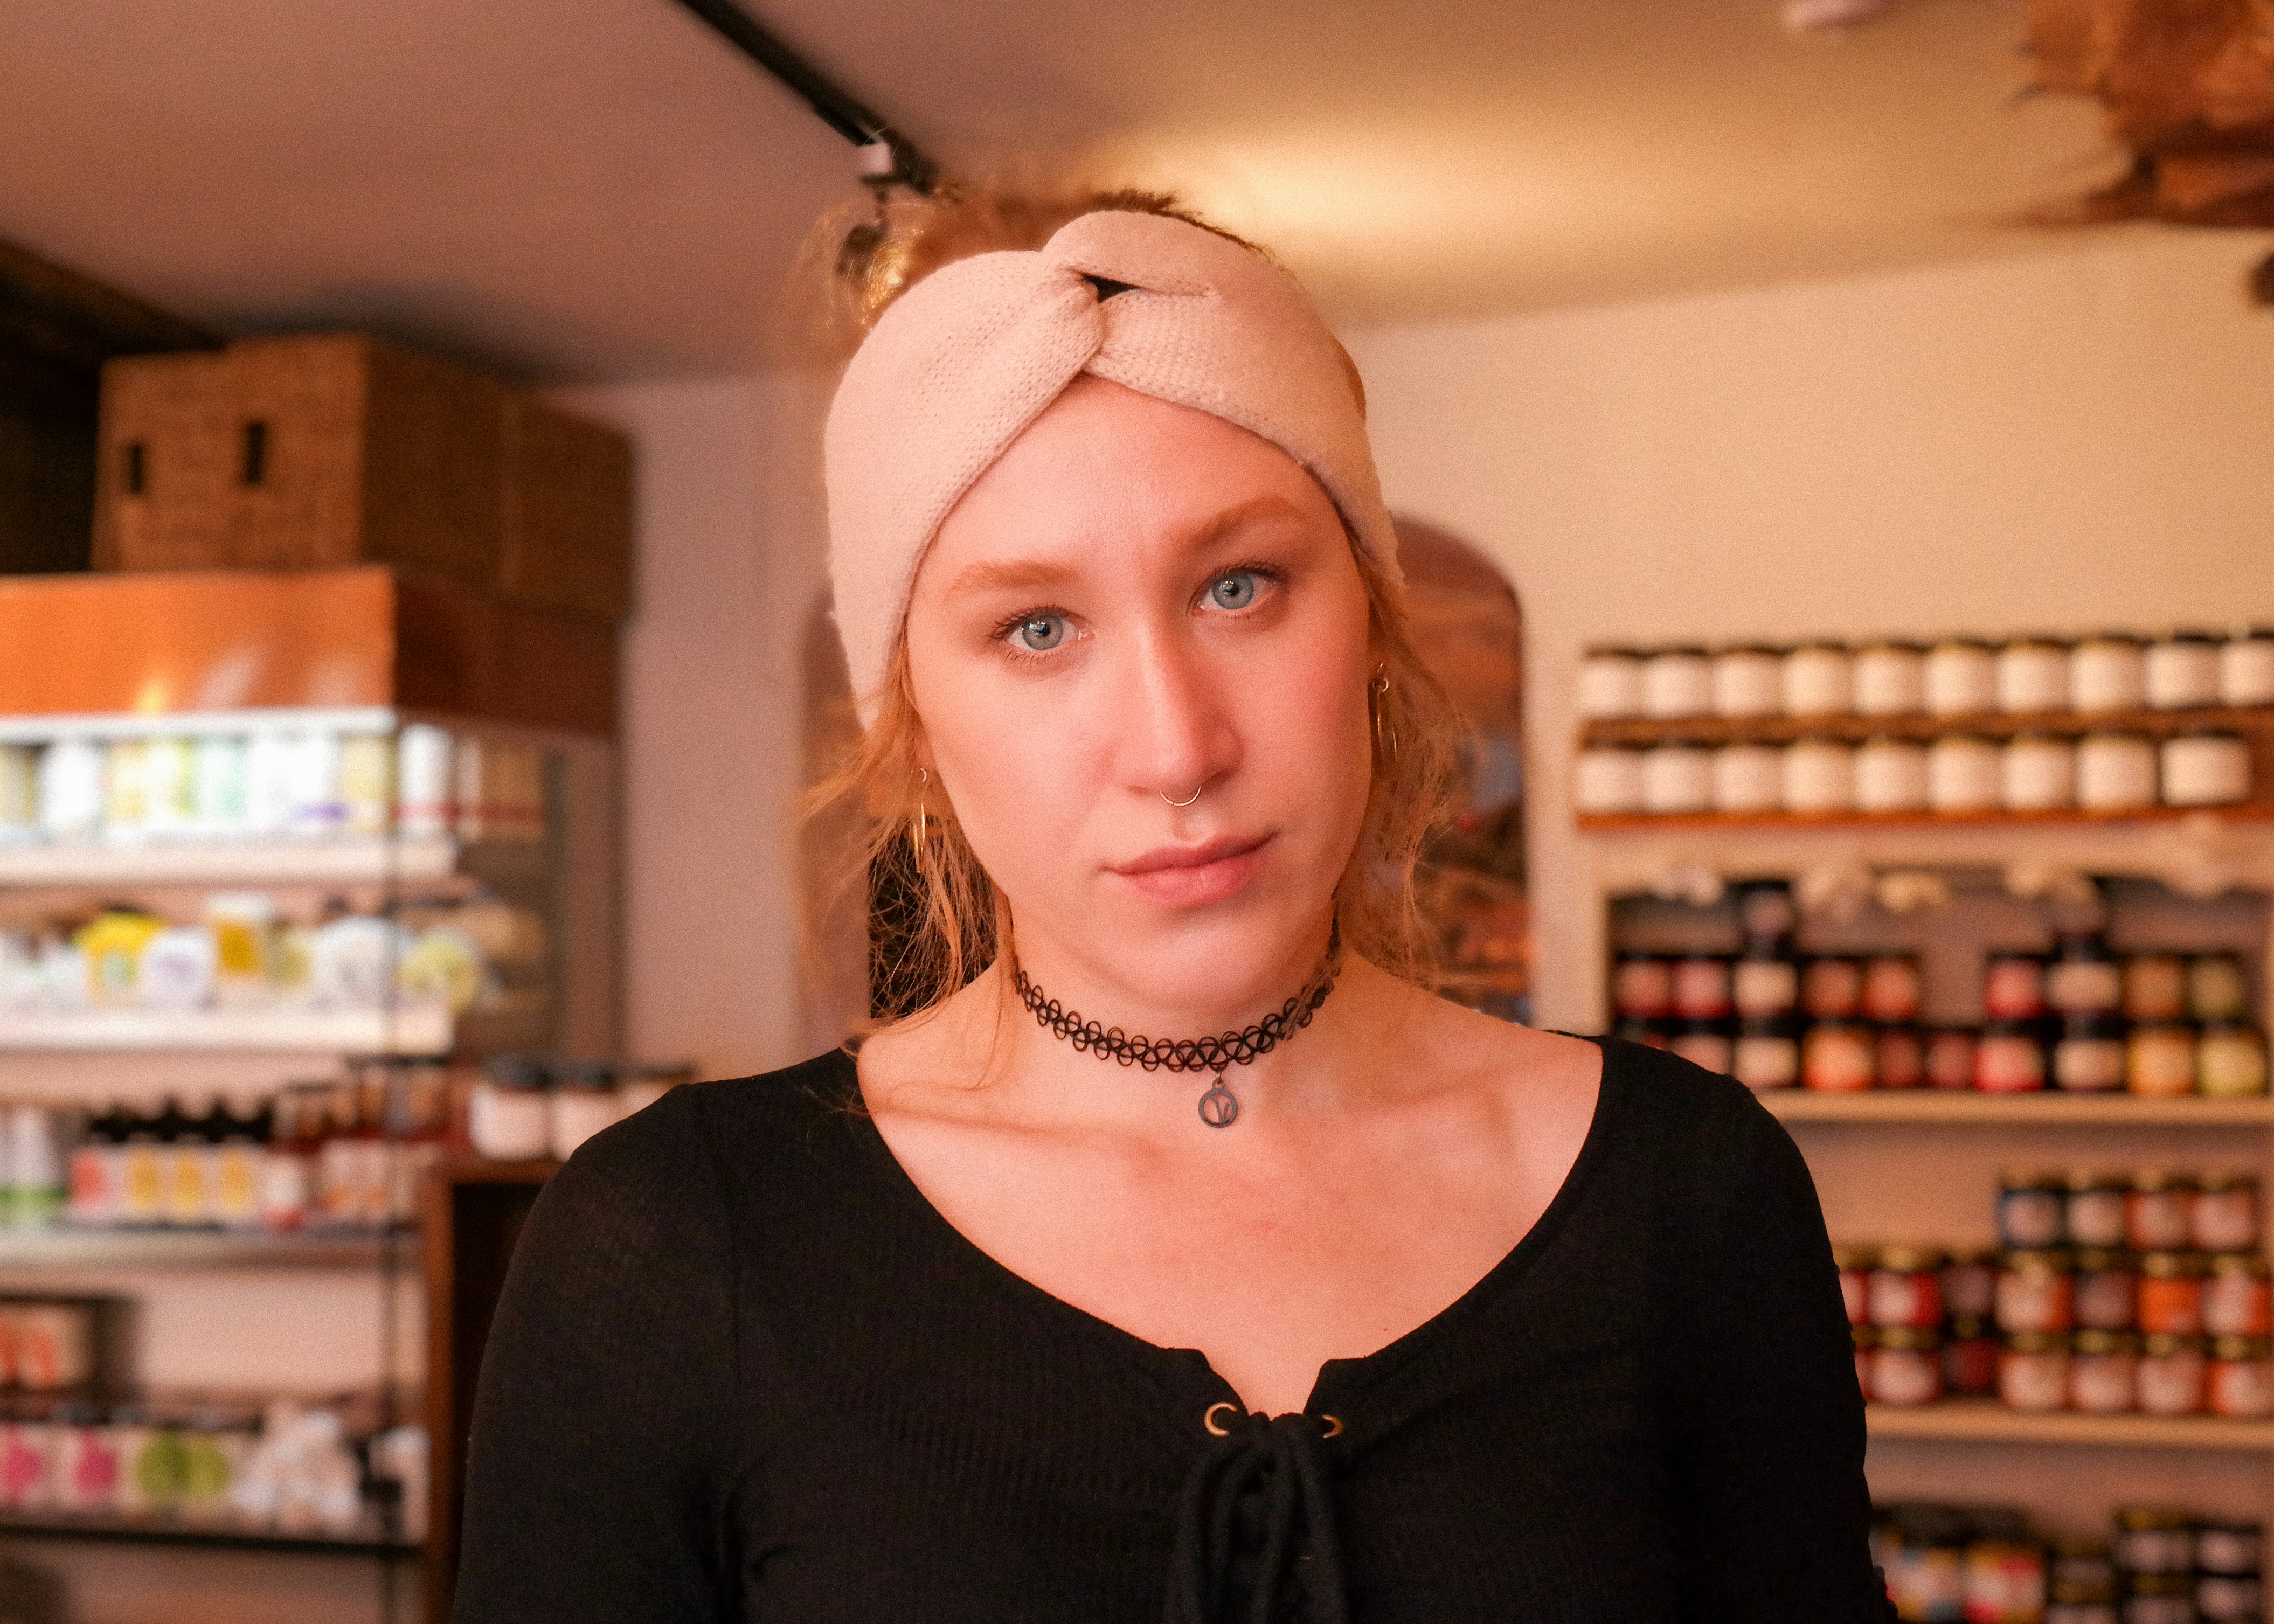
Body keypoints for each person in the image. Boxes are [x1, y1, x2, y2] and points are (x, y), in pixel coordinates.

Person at [452, 196, 1887, 1622]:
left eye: (1240, 586)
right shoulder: (672, 1245)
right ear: (911, 725)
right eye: (1035, 628)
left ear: (1372, 626)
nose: (1174, 746)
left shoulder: (1685, 1195)